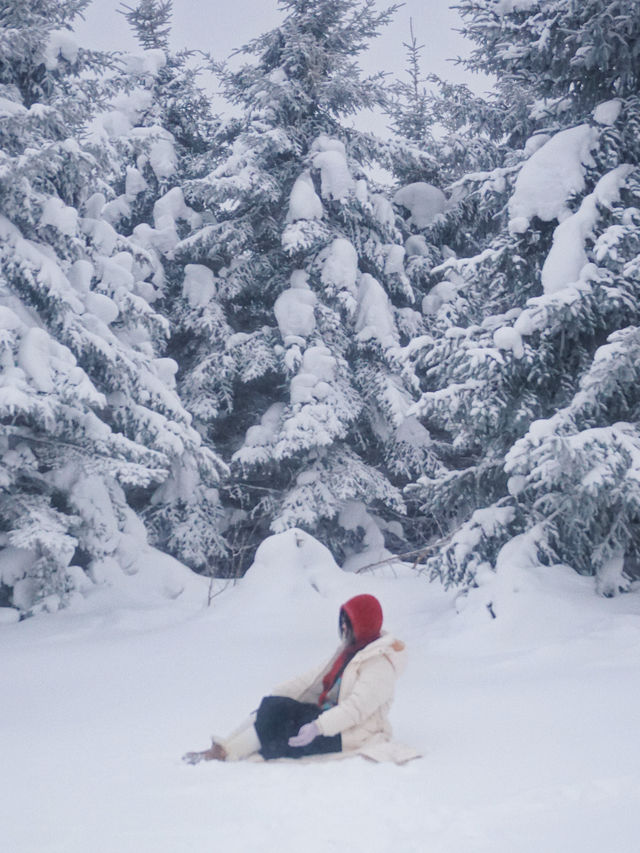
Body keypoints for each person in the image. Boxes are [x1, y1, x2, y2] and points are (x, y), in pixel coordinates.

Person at [182, 593, 418, 765]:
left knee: (279, 723)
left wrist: (318, 727)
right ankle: (223, 748)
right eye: (343, 620)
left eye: (350, 622)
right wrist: (279, 692)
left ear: (364, 625)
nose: (344, 627)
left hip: (350, 733)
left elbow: (356, 709)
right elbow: (312, 679)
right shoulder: (350, 650)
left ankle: (226, 755)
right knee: (273, 707)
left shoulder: (379, 664)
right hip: (327, 716)